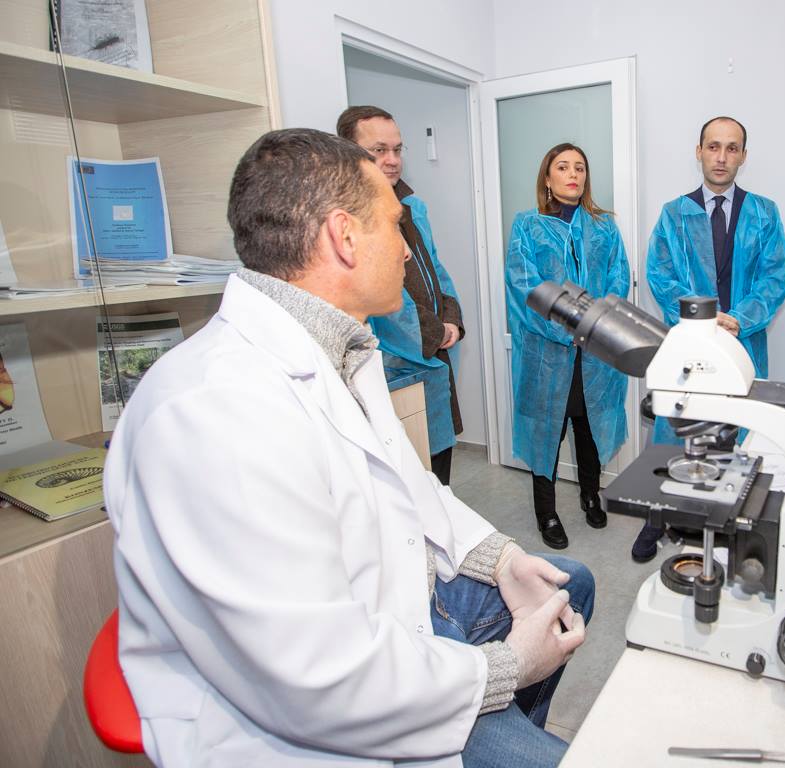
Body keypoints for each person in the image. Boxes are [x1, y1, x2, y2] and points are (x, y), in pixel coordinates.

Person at [103, 128, 593, 768]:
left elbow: (410, 484)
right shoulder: (213, 410)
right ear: (344, 236)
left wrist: (499, 558)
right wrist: (505, 667)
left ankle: (497, 726)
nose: (407, 247)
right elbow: (318, 677)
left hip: (397, 609)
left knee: (568, 585)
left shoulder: (341, 348)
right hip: (313, 716)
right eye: (395, 225)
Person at [635, 116, 785, 562]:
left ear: (743, 155)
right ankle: (657, 517)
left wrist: (738, 319)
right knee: (678, 426)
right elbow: (660, 274)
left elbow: (775, 277)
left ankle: (728, 524)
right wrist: (701, 320)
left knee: (737, 434)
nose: (721, 157)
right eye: (713, 146)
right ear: (699, 151)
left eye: (732, 148)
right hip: (689, 344)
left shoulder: (764, 213)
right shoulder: (674, 214)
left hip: (743, 342)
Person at [505, 143, 631, 550]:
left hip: (594, 354)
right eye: (562, 167)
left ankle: (590, 495)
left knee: (590, 428)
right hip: (547, 355)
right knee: (547, 431)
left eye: (579, 167)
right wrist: (569, 328)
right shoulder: (528, 226)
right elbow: (525, 287)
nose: (572, 174)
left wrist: (596, 326)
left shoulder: (604, 227)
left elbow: (618, 278)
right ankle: (547, 512)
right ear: (547, 177)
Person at [337, 105, 465, 485]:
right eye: (379, 150)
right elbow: (383, 302)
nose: (392, 160)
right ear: (349, 154)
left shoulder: (412, 207)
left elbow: (436, 270)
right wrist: (435, 333)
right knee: (406, 481)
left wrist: (453, 319)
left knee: (439, 473)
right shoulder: (349, 218)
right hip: (396, 365)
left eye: (397, 149)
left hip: (434, 353)